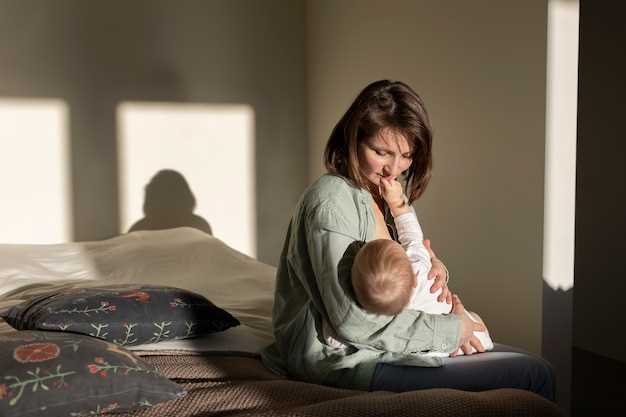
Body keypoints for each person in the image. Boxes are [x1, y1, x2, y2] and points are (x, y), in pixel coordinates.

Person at [261, 80, 554, 400]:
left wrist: (435, 269)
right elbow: (350, 321)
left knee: (527, 362)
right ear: (352, 139)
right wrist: (454, 331)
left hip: (389, 344)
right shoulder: (332, 201)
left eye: (406, 155)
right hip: (346, 359)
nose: (393, 169)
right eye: (381, 152)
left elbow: (398, 266)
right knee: (534, 373)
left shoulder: (380, 193)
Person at [323, 176, 494, 357]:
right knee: (477, 327)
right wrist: (397, 202)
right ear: (412, 279)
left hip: (422, 351)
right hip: (456, 337)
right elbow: (411, 233)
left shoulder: (376, 311)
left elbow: (334, 337)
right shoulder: (418, 272)